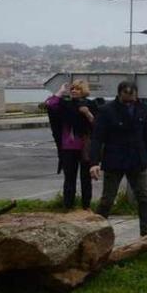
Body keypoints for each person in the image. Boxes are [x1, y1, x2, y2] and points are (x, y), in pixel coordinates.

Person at [91, 81, 147, 236]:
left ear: (136, 95)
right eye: (126, 98)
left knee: (144, 198)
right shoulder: (106, 111)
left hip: (137, 159)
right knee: (107, 200)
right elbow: (97, 138)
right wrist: (94, 163)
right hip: (114, 160)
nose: (130, 101)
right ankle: (94, 232)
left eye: (132, 98)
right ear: (119, 94)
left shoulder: (142, 109)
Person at [45, 80, 96, 210]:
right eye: (72, 88)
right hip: (68, 147)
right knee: (69, 179)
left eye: (77, 89)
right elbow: (50, 105)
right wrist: (60, 92)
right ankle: (68, 206)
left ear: (83, 91)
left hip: (85, 147)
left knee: (86, 179)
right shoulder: (65, 105)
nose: (74, 91)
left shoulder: (90, 105)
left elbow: (97, 125)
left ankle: (86, 206)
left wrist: (87, 113)